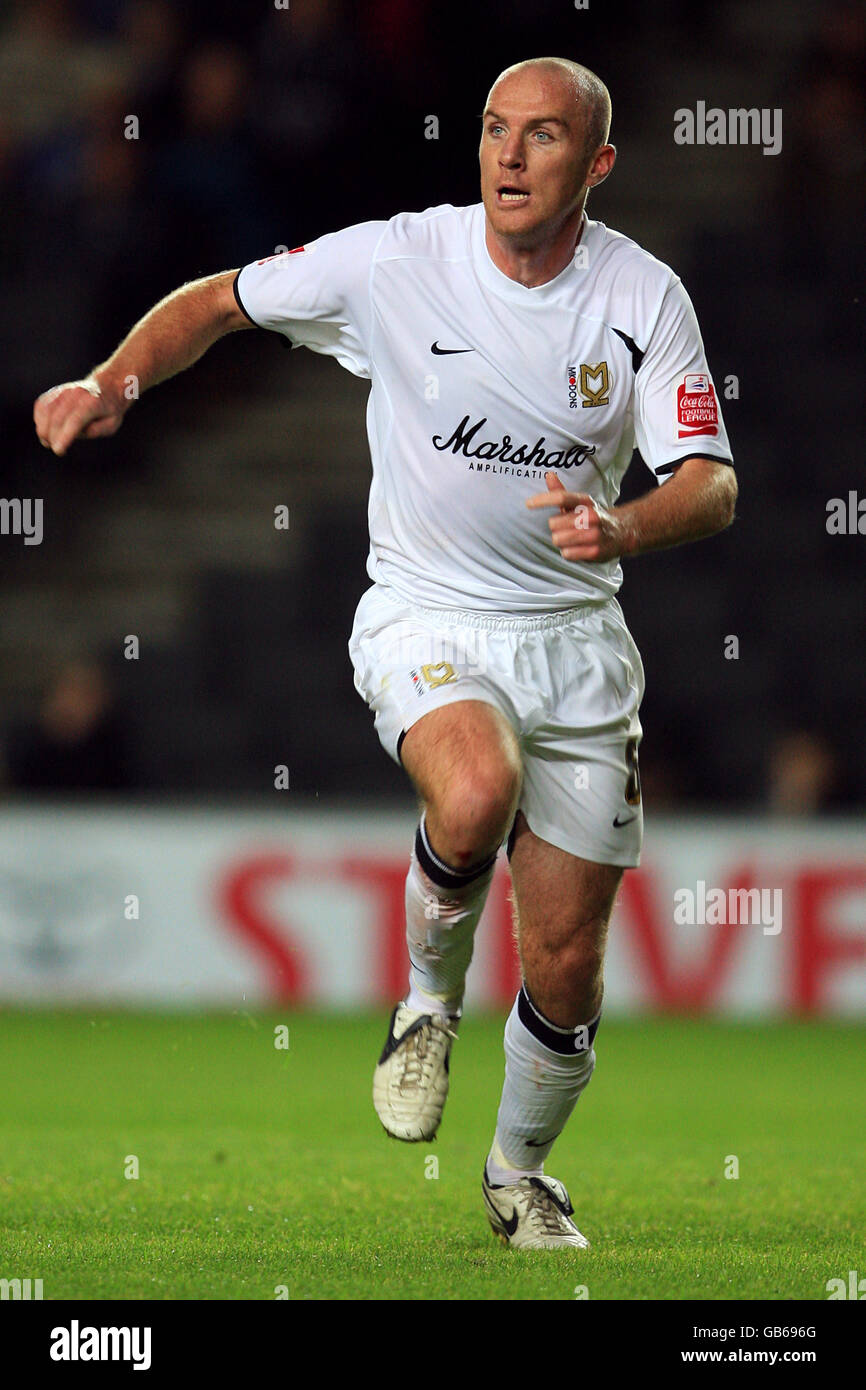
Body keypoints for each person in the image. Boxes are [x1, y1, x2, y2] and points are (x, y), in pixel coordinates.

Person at [34, 57, 737, 1249]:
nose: (510, 157)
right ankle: (424, 1001)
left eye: (544, 138)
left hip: (573, 640)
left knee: (564, 962)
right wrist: (115, 379)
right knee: (473, 789)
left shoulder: (641, 296)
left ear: (597, 164)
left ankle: (517, 1174)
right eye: (493, 131)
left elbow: (711, 485)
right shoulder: (397, 260)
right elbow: (218, 299)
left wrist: (618, 523)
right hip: (427, 614)